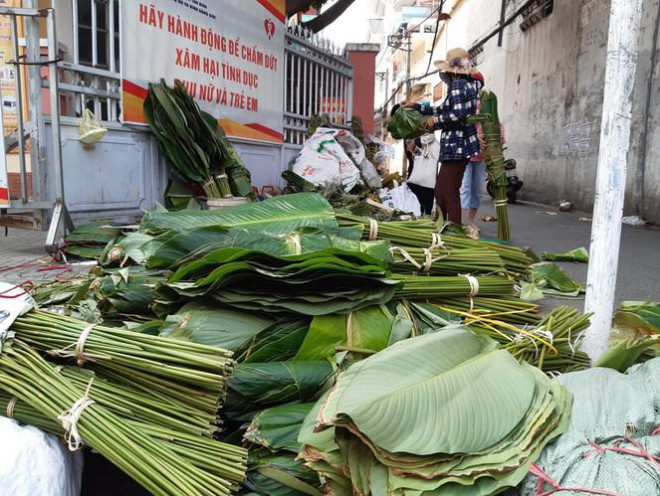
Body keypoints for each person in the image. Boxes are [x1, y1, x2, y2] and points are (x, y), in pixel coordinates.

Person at [402, 47, 482, 225]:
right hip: (455, 149)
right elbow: (443, 108)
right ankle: (440, 225)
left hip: (457, 148)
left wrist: (435, 121)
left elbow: (458, 115)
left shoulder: (459, 85)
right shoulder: (464, 85)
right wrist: (416, 106)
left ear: (450, 71)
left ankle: (454, 231)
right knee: (440, 191)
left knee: (448, 192)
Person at [406, 134, 438, 215]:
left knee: (426, 194)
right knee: (420, 195)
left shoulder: (425, 136)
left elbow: (430, 136)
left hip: (426, 174)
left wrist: (415, 141)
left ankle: (425, 213)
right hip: (420, 175)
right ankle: (423, 213)